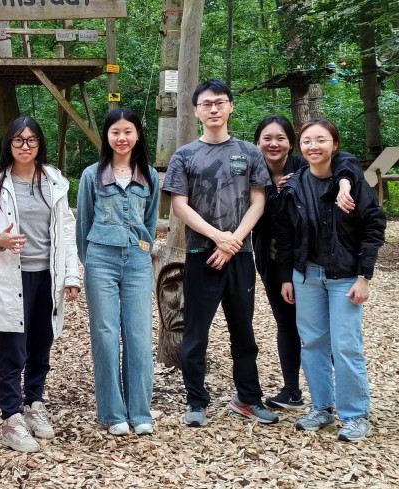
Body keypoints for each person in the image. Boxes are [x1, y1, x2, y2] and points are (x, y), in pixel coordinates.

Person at [162, 79, 278, 427]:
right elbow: (180, 206)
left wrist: (234, 241)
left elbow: (259, 201)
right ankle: (196, 401)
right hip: (200, 254)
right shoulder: (185, 155)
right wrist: (217, 237)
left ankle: (248, 398)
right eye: (207, 104)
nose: (214, 109)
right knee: (196, 332)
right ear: (197, 110)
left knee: (243, 331)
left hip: (240, 256)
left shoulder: (249, 152)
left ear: (230, 107)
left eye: (220, 102)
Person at [275, 118, 386, 442]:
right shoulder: (294, 184)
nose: (313, 146)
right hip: (306, 275)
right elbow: (284, 235)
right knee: (312, 343)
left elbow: (373, 226)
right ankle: (322, 407)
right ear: (300, 147)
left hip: (344, 277)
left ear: (334, 145)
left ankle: (355, 415)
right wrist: (286, 277)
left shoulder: (349, 179)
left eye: (321, 140)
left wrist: (365, 276)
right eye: (307, 141)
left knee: (346, 345)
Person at [0, 117, 80, 452]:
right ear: (9, 143)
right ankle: (11, 416)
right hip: (14, 276)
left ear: (40, 145)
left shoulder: (54, 181)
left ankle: (34, 403)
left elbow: (66, 230)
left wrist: (71, 275)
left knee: (41, 342)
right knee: (13, 348)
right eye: (19, 140)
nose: (25, 146)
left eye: (32, 140)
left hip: (47, 274)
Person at [252, 115, 361, 411]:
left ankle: (342, 395)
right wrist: (274, 191)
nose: (273, 144)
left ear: (292, 144)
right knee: (286, 325)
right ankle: (292, 391)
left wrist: (343, 184)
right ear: (257, 142)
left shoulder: (304, 167)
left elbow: (344, 160)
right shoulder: (253, 171)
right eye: (267, 138)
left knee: (327, 330)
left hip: (311, 261)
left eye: (281, 138)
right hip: (274, 261)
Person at [77, 108, 161, 436]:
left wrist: (141, 249)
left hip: (138, 263)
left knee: (139, 337)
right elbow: (83, 222)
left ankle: (140, 412)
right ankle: (113, 414)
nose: (121, 138)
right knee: (106, 335)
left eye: (128, 131)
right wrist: (91, 260)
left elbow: (151, 222)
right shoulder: (91, 175)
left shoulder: (149, 176)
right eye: (115, 132)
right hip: (100, 260)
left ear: (138, 135)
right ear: (107, 136)